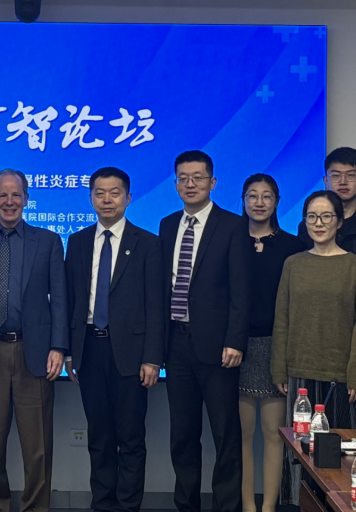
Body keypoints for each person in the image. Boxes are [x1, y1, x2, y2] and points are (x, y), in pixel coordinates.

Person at [0, 169, 68, 512]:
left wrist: (59, 347)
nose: (10, 201)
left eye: (16, 194)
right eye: (2, 195)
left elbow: (60, 299)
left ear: (26, 199)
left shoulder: (48, 241)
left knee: (37, 447)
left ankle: (36, 508)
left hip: (33, 352)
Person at [65, 167, 164, 512]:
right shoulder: (77, 242)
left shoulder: (147, 243)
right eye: (100, 193)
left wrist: (152, 357)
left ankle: (128, 506)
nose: (107, 200)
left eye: (115, 193)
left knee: (131, 437)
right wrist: (69, 352)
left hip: (131, 353)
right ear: (91, 198)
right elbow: (71, 300)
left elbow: (156, 305)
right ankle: (103, 504)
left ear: (128, 198)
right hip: (89, 348)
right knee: (99, 436)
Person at [161, 150, 248, 512]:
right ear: (175, 184)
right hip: (176, 345)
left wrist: (235, 340)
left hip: (218, 348)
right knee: (182, 436)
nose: (190, 184)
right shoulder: (167, 225)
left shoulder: (232, 225)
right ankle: (187, 505)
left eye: (198, 177)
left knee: (225, 435)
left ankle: (226, 507)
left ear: (212, 182)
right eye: (183, 178)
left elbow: (241, 289)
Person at [272, 191, 356, 503]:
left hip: (340, 377)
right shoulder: (293, 264)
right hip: (300, 373)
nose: (319, 223)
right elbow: (282, 318)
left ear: (339, 221)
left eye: (327, 216)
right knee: (300, 455)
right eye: (312, 217)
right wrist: (279, 369)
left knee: (338, 459)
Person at [236, 174, 302, 512]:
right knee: (242, 436)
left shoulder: (293, 246)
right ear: (243, 200)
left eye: (266, 196)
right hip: (236, 347)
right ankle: (248, 506)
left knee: (275, 434)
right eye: (252, 195)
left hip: (276, 347)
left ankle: (269, 507)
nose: (259, 202)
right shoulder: (230, 242)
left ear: (277, 201)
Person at [298, 147, 356, 260]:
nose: (343, 182)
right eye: (335, 175)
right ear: (326, 180)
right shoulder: (310, 224)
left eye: (351, 175)